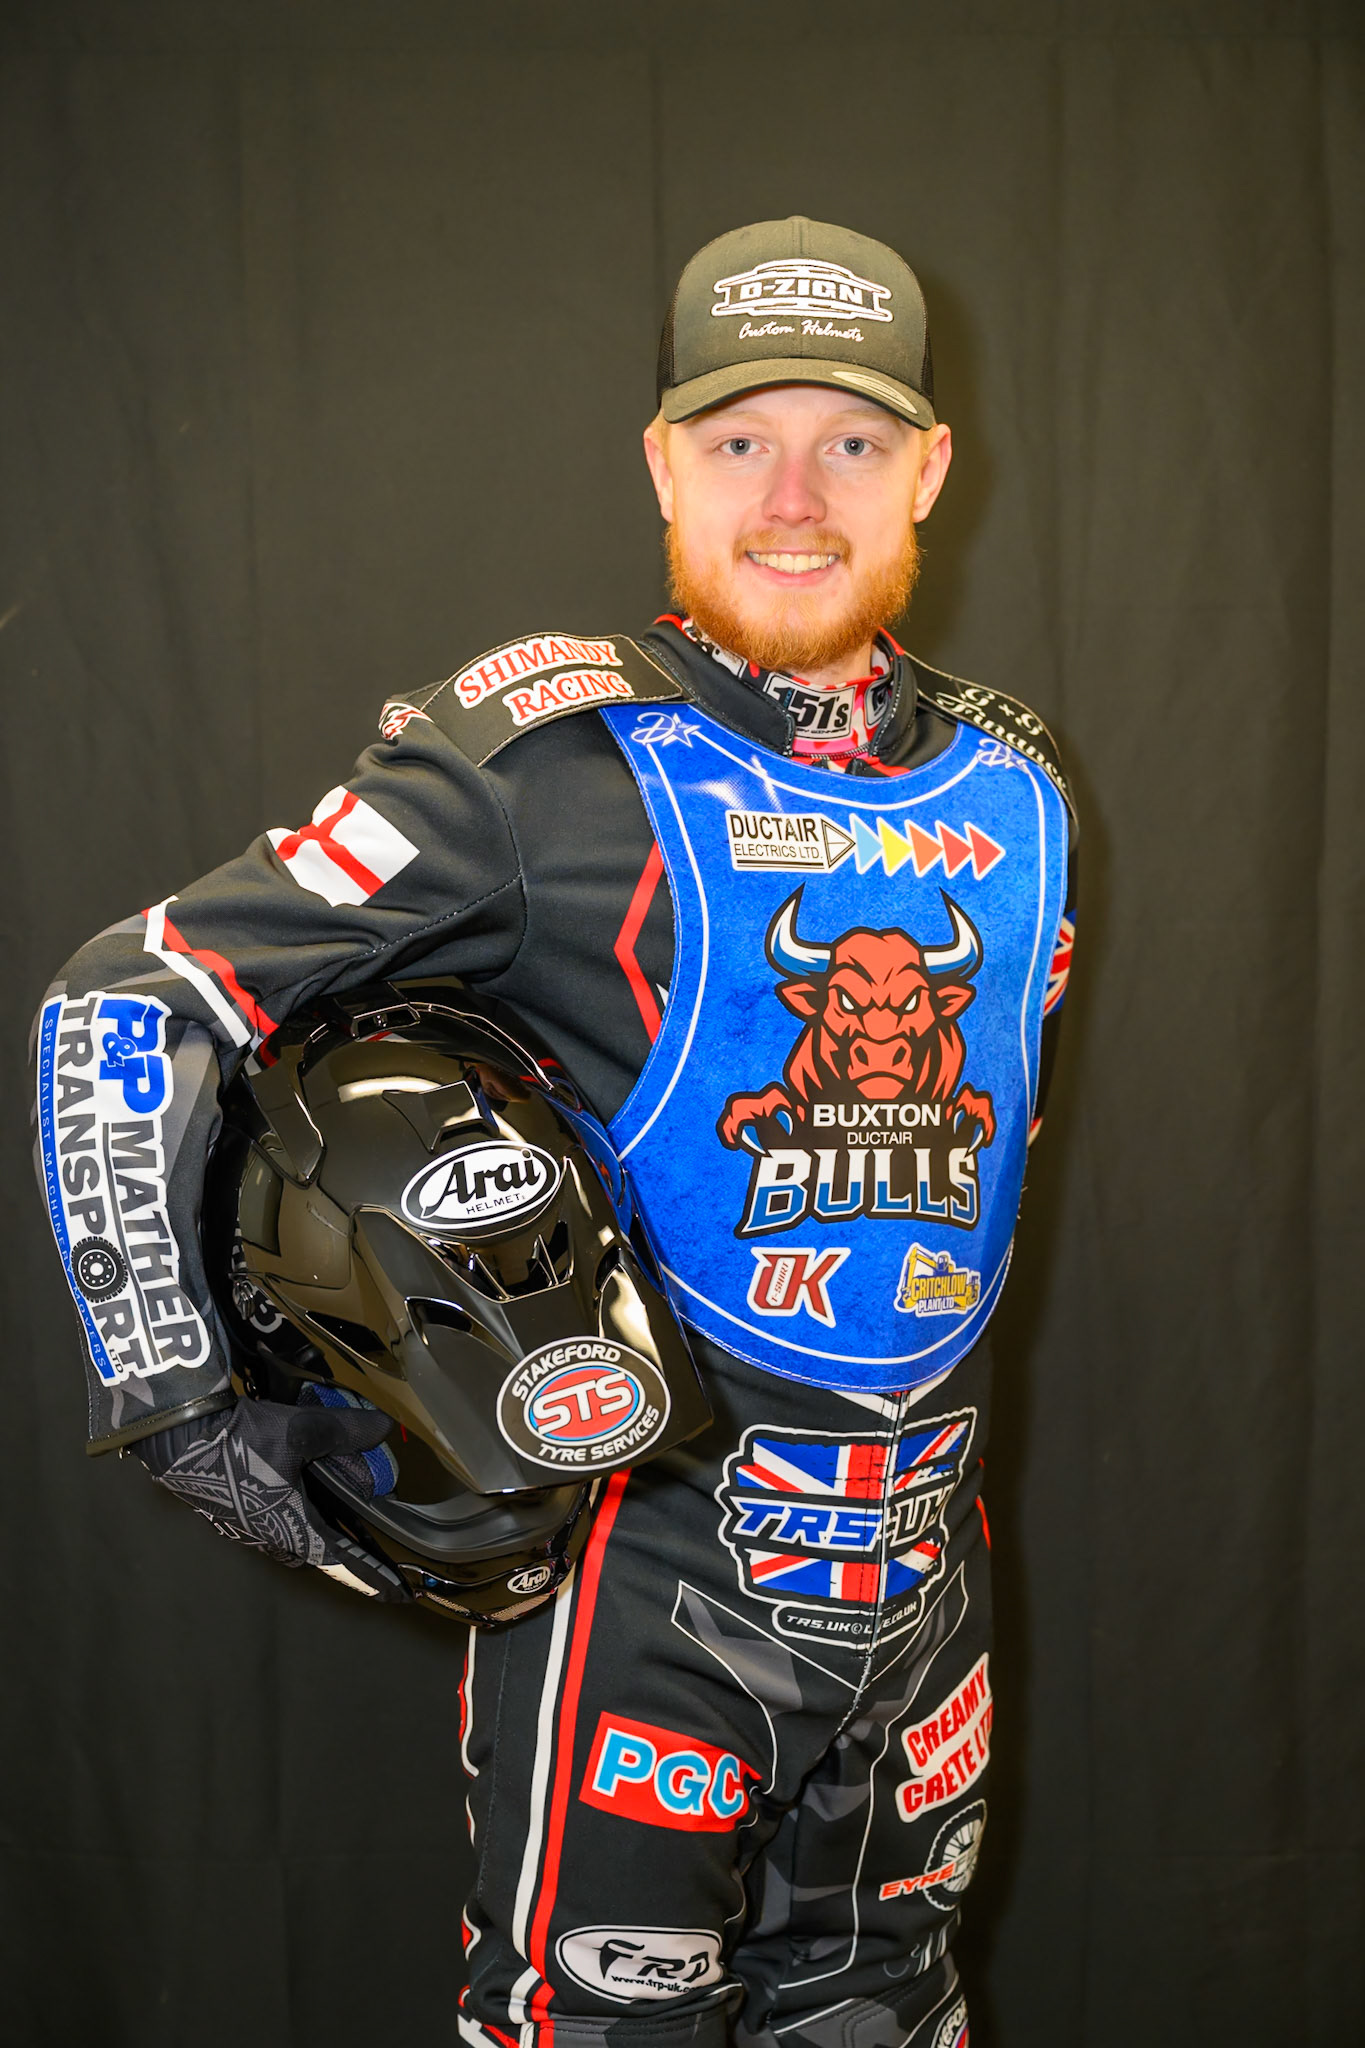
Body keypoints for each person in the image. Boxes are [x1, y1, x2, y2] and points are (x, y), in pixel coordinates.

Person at [35, 216, 1077, 2048]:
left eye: (849, 441)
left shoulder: (1019, 780)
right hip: (647, 1583)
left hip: (930, 1584)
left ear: (929, 469)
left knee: (895, 2011)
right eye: (739, 440)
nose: (793, 500)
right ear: (661, 464)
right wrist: (176, 1389)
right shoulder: (539, 755)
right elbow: (125, 1001)